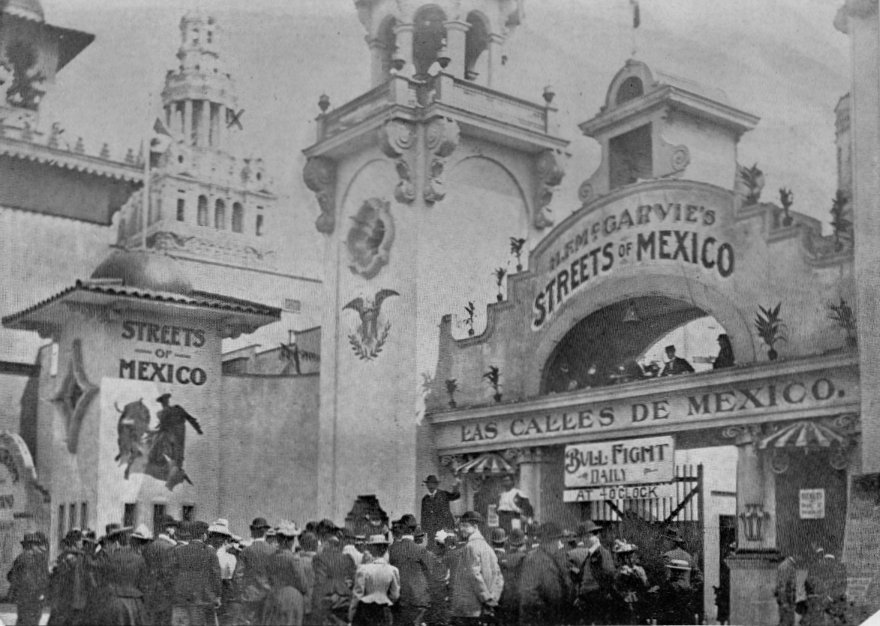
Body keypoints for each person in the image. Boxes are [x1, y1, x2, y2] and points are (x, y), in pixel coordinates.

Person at [449, 511, 503, 626]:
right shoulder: (487, 547)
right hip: (482, 608)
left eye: (465, 526)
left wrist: (486, 598)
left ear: (475, 527)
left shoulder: (470, 546)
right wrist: (492, 598)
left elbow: (474, 575)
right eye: (461, 525)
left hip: (470, 609)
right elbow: (498, 576)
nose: (461, 529)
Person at [169, 520, 222, 626]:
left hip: (182, 598)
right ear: (204, 536)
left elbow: (171, 574)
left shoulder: (178, 551)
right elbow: (216, 575)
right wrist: (217, 596)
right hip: (204, 599)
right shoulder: (210, 552)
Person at [93, 523, 148, 625]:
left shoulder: (109, 557)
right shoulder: (139, 558)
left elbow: (101, 578)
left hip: (114, 600)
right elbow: (144, 583)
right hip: (134, 602)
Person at [518, 522, 571, 626]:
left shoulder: (534, 556)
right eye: (558, 540)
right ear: (551, 541)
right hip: (540, 616)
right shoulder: (544, 561)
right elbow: (553, 593)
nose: (559, 545)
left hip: (531, 615)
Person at [388, 515, 432, 626]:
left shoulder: (391, 549)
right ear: (415, 530)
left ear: (401, 528)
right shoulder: (420, 550)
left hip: (399, 600)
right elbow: (431, 573)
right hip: (419, 600)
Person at [569, 520, 615, 625]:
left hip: (593, 597)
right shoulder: (590, 553)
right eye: (593, 533)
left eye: (596, 533)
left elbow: (610, 573)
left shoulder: (601, 552)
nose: (596, 535)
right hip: (589, 597)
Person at [262, 521, 308, 626]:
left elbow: (267, 579)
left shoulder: (271, 557)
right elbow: (303, 584)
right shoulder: (293, 559)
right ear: (288, 541)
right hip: (291, 599)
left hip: (273, 596)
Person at [348, 535, 400, 626]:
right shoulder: (393, 570)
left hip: (366, 609)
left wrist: (351, 615)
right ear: (385, 549)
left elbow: (357, 595)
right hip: (384, 609)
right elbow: (395, 595)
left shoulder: (363, 569)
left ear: (371, 549)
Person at [236, 516, 277, 623]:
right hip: (267, 595)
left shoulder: (246, 551)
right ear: (266, 532)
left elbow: (238, 575)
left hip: (249, 595)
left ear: (253, 531)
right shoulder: (273, 551)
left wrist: (241, 591)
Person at [311, 531, 356, 625]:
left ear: (327, 544)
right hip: (345, 598)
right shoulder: (347, 558)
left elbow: (319, 581)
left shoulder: (320, 558)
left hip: (328, 599)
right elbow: (354, 579)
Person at [142, 516, 177, 626]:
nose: (174, 530)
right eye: (173, 527)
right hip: (164, 594)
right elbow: (169, 574)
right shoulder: (170, 547)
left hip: (149, 591)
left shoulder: (149, 546)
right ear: (168, 529)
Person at [8, 532, 48, 626]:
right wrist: (39, 593)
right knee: (29, 621)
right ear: (31, 546)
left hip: (25, 597)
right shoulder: (27, 559)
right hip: (29, 597)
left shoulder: (23, 557)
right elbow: (28, 580)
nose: (38, 547)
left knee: (25, 620)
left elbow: (10, 575)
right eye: (36, 545)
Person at [611, 539, 649, 625]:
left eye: (630, 555)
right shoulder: (619, 571)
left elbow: (646, 584)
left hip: (638, 599)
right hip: (624, 599)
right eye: (624, 556)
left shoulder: (639, 569)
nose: (627, 558)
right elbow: (615, 586)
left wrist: (639, 577)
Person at [497, 528, 527, 626]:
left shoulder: (501, 558)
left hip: (504, 599)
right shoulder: (526, 558)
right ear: (523, 542)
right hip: (521, 600)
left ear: (509, 541)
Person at [421, 474, 461, 545]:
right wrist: (424, 531)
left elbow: (455, 496)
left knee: (448, 546)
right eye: (429, 484)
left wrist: (456, 487)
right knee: (433, 547)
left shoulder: (443, 494)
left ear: (436, 485)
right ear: (427, 485)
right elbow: (423, 516)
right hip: (432, 530)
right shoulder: (425, 499)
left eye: (433, 484)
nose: (431, 486)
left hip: (446, 527)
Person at [654, 559, 694, 625]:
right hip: (675, 614)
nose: (676, 573)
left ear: (682, 572)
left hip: (675, 615)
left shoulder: (678, 584)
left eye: (678, 571)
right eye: (673, 571)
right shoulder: (682, 583)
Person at [295, 532, 319, 626]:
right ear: (316, 545)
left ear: (302, 545)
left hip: (301, 603)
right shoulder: (324, 561)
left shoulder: (296, 561)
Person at [775, 553, 797, 626]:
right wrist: (784, 602)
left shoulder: (790, 565)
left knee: (789, 622)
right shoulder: (786, 567)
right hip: (786, 601)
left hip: (788, 601)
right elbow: (782, 586)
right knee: (786, 622)